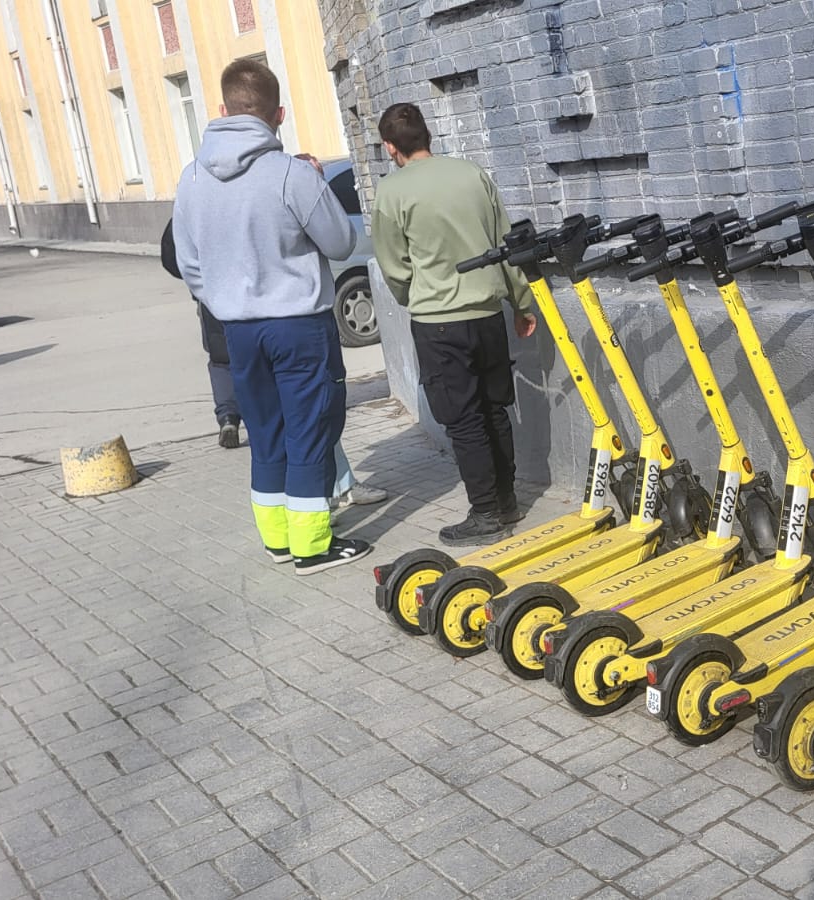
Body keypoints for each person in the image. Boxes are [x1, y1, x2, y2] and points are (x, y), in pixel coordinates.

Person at [171, 59, 370, 574]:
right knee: (310, 430)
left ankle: (278, 539)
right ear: (279, 114)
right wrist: (316, 187)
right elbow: (340, 242)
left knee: (265, 433)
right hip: (298, 324)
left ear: (222, 110)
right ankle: (313, 546)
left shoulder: (192, 178)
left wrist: (224, 299)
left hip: (237, 329)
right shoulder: (290, 174)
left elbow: (189, 263)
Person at [370, 102, 537, 546]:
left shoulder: (391, 192)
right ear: (427, 135)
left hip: (439, 320)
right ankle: (506, 501)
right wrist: (522, 303)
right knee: (495, 408)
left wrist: (414, 296)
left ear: (390, 147)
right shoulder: (472, 174)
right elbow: (505, 243)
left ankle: (485, 513)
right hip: (488, 315)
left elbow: (394, 265)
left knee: (463, 420)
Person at [161, 218, 388, 508]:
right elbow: (339, 241)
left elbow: (175, 258)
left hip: (235, 318)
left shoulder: (198, 203)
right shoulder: (225, 201)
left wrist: (211, 292)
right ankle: (323, 494)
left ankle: (326, 489)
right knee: (306, 415)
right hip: (277, 318)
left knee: (282, 420)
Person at [161, 219, 241, 449]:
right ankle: (263, 416)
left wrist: (197, 281)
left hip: (209, 296)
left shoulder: (189, 205)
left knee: (221, 359)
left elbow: (171, 256)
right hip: (251, 292)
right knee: (256, 356)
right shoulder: (246, 199)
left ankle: (228, 417)